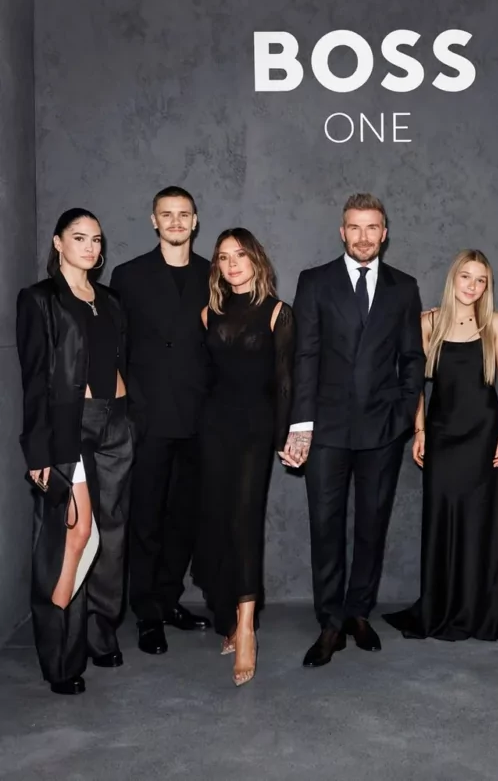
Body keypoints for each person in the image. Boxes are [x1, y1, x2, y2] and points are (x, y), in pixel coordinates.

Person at [284, 193, 425, 668]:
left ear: (384, 233)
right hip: (326, 428)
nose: (364, 236)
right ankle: (330, 622)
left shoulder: (403, 287)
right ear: (342, 231)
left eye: (372, 227)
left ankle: (358, 612)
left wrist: (403, 415)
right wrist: (301, 426)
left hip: (382, 428)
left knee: (371, 524)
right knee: (325, 526)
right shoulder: (315, 282)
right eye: (355, 227)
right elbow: (304, 356)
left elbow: (412, 357)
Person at [16, 208, 133, 695]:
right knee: (74, 534)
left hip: (117, 424)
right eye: (79, 237)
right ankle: (60, 656)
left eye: (96, 239)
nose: (90, 247)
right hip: (69, 427)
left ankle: (99, 637)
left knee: (112, 536)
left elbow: (120, 361)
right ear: (58, 243)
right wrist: (38, 453)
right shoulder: (39, 300)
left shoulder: (109, 300)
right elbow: (35, 381)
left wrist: (129, 417)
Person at [383, 250, 498, 641]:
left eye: (480, 280)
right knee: (442, 520)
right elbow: (414, 385)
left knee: (480, 522)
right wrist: (420, 430)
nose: (472, 286)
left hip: (484, 435)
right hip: (442, 436)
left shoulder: (495, 323)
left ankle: (480, 610)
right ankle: (441, 607)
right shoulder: (428, 323)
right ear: (453, 278)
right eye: (466, 277)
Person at [109, 186, 211, 655]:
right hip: (147, 418)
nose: (175, 222)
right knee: (146, 518)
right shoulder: (128, 276)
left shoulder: (212, 274)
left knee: (184, 519)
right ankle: (147, 613)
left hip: (198, 417)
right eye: (166, 214)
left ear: (195, 221)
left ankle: (169, 600)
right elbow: (116, 349)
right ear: (154, 221)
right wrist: (131, 410)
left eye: (183, 214)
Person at [192, 228, 295, 686]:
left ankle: (248, 628)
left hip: (256, 430)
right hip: (214, 429)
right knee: (218, 523)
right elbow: (205, 379)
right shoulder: (208, 313)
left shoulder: (278, 312)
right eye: (223, 257)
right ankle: (232, 616)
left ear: (256, 259)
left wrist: (283, 438)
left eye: (240, 255)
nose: (232, 264)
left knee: (245, 521)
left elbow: (286, 382)